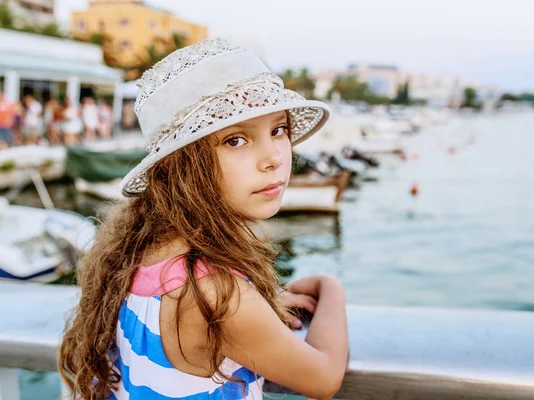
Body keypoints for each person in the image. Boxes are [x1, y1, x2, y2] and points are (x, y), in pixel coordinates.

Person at [58, 38, 348, 400]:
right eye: (235, 140)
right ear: (181, 166)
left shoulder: (140, 250)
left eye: (278, 130)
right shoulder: (217, 294)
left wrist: (264, 307)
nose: (273, 157)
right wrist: (330, 289)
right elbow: (322, 378)